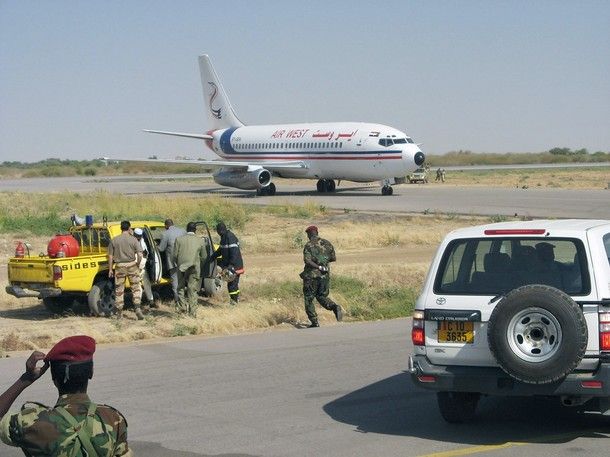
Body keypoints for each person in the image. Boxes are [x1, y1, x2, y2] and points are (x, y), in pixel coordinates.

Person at [0, 335, 131, 456]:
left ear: (54, 378)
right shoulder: (113, 419)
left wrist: (25, 379)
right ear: (91, 372)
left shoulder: (32, 422)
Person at [300, 225, 344, 328]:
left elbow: (307, 260)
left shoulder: (309, 245)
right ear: (317, 232)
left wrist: (318, 266)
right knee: (321, 296)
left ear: (309, 234)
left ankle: (314, 322)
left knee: (309, 298)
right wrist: (323, 262)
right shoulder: (327, 243)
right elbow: (333, 258)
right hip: (324, 275)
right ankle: (334, 307)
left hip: (312, 276)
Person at [108, 220, 144, 320]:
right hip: (132, 265)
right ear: (129, 228)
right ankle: (137, 309)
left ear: (121, 228)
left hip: (119, 266)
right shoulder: (133, 240)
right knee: (136, 288)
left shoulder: (114, 240)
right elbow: (140, 254)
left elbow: (110, 256)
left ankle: (119, 313)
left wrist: (110, 269)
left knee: (119, 290)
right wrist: (137, 263)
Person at [172, 222, 208, 315]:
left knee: (180, 287)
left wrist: (179, 264)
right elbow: (204, 257)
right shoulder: (200, 240)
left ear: (186, 229)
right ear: (195, 230)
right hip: (194, 267)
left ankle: (182, 308)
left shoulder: (179, 240)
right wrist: (198, 264)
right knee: (192, 289)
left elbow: (174, 256)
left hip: (181, 267)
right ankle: (192, 312)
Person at [211, 222, 244, 305]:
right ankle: (236, 300)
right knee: (233, 285)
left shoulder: (230, 237)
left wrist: (231, 265)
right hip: (231, 266)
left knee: (232, 285)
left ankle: (234, 302)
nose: (218, 233)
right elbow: (220, 250)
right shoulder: (224, 237)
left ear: (220, 230)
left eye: (218, 231)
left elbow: (234, 252)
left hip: (234, 266)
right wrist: (212, 257)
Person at [158, 219, 186, 303]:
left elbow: (161, 249)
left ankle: (178, 300)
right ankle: (184, 298)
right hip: (184, 260)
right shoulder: (183, 231)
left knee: (175, 282)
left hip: (173, 262)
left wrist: (155, 246)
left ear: (166, 226)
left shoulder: (165, 234)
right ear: (173, 224)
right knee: (183, 280)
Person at [134, 227, 157, 308]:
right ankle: (137, 305)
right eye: (138, 236)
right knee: (138, 287)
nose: (139, 237)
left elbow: (145, 253)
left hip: (142, 267)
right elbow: (141, 254)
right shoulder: (133, 242)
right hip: (136, 267)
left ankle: (151, 301)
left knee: (146, 284)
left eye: (140, 236)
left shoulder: (141, 241)